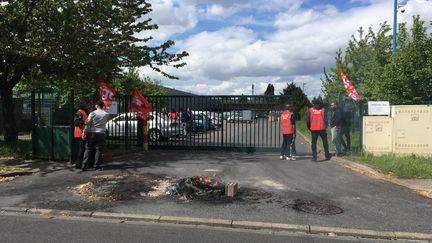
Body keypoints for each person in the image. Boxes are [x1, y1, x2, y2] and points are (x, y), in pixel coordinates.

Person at [81, 101, 110, 171]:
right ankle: (96, 166)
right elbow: (106, 121)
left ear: (96, 106)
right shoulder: (106, 114)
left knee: (88, 149)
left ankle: (84, 165)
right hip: (101, 133)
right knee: (99, 150)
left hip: (92, 133)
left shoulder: (92, 113)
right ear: (103, 106)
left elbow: (88, 124)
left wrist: (84, 132)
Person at [73, 104, 88, 169]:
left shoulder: (83, 112)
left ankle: (80, 164)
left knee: (83, 149)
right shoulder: (79, 112)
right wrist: (84, 122)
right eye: (86, 104)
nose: (87, 105)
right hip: (80, 133)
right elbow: (76, 122)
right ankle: (78, 164)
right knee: (82, 149)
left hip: (82, 132)